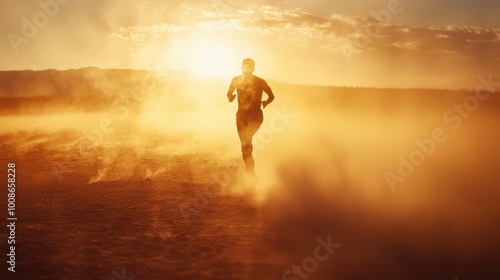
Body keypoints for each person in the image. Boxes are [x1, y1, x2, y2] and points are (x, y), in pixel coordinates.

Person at [227, 58, 275, 176]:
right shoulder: (237, 80)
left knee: (246, 143)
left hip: (253, 116)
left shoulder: (257, 81)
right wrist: (231, 96)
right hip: (243, 117)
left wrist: (265, 102)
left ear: (253, 68)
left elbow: (271, 96)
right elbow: (228, 93)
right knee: (246, 145)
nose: (247, 68)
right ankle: (250, 172)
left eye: (249, 66)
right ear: (242, 67)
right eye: (245, 66)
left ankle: (250, 172)